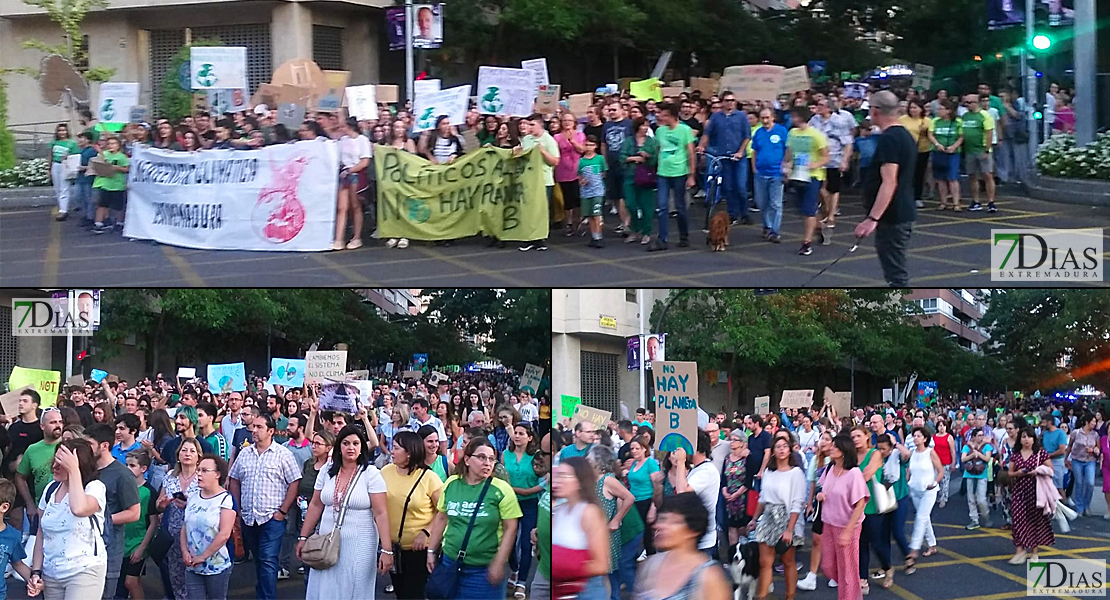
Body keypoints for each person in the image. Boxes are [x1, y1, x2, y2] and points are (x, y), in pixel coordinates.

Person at [296, 425, 392, 600]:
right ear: (339, 446)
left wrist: (387, 550)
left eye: (356, 443)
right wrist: (303, 537)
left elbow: (381, 513)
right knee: (325, 588)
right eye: (346, 443)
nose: (351, 447)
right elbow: (316, 505)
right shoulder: (327, 470)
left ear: (362, 447)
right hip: (327, 541)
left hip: (359, 544)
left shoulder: (371, 474)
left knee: (354, 589)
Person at [426, 437, 522, 599]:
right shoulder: (452, 484)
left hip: (484, 570)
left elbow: (511, 528)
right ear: (468, 460)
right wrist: (431, 550)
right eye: (482, 457)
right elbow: (441, 518)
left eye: (491, 459)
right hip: (451, 564)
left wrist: (499, 562)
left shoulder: (501, 489)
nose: (488, 463)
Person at [229, 414, 302, 600]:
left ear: (271, 431)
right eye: (254, 426)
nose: (254, 430)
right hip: (248, 517)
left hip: (272, 518)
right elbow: (234, 479)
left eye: (259, 427)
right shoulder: (245, 453)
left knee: (268, 560)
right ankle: (262, 590)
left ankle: (266, 597)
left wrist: (283, 511)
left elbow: (294, 482)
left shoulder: (283, 454)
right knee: (259, 560)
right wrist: (237, 508)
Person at [27, 439, 108, 599]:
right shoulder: (51, 489)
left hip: (84, 569)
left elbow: (79, 508)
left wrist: (74, 471)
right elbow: (41, 532)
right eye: (54, 460)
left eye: (61, 462)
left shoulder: (94, 487)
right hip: (52, 572)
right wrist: (36, 571)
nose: (54, 467)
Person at [852, 90, 917, 287]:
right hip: (900, 211)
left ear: (875, 111)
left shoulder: (890, 139)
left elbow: (889, 181)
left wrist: (872, 219)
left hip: (893, 216)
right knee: (894, 268)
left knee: (895, 274)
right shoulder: (904, 135)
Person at [629, 492, 731, 600]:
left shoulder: (709, 576)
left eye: (673, 522)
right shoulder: (650, 565)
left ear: (693, 530)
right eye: (661, 519)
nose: (659, 526)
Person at [381, 431, 443, 600]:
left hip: (419, 551)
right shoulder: (385, 472)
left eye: (396, 448)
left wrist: (426, 532)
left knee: (414, 594)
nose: (391, 451)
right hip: (393, 549)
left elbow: (443, 512)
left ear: (409, 453)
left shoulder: (430, 478)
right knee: (401, 593)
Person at [85, 423, 142, 600]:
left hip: (109, 550)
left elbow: (134, 513)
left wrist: (101, 519)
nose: (85, 450)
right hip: (84, 549)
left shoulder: (123, 475)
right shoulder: (87, 471)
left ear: (104, 446)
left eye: (89, 445)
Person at [748, 435, 806, 600]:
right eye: (778, 446)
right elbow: (762, 497)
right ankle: (761, 596)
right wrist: (754, 519)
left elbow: (797, 503)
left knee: (788, 561)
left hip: (787, 517)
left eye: (784, 446)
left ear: (789, 450)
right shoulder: (768, 471)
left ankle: (790, 596)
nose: (781, 449)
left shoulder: (796, 473)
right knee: (764, 562)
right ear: (773, 451)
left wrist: (790, 529)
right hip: (768, 516)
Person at [816, 434, 869, 600]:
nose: (831, 448)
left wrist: (847, 532)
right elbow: (825, 488)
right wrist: (821, 495)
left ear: (844, 451)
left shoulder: (853, 473)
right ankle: (852, 589)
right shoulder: (830, 469)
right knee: (828, 566)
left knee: (848, 571)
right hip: (829, 523)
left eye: (835, 446)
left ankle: (850, 594)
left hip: (847, 526)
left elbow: (861, 504)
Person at [552, 456, 612, 600]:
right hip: (562, 591)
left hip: (586, 591)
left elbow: (601, 564)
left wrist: (564, 567)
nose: (558, 480)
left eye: (564, 476)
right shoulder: (559, 511)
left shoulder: (589, 512)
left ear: (579, 481)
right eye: (557, 475)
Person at [181, 454, 235, 600]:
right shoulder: (192, 497)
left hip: (216, 565)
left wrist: (203, 557)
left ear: (217, 474)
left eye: (204, 470)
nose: (199, 474)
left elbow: (224, 534)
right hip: (192, 565)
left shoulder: (226, 499)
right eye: (198, 470)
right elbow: (185, 526)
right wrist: (185, 551)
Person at [156, 437, 203, 600]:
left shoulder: (202, 478)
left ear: (198, 456)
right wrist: (161, 505)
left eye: (192, 451)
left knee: (195, 576)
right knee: (175, 575)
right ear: (178, 455)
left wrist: (188, 504)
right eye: (184, 450)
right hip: (172, 533)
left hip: (196, 535)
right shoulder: (170, 476)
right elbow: (159, 504)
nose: (187, 454)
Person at [649, 102, 696, 252]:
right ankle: (662, 239)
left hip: (679, 173)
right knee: (662, 207)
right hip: (663, 172)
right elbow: (657, 149)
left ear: (672, 116)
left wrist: (691, 175)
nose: (660, 117)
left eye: (663, 115)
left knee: (680, 206)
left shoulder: (685, 130)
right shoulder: (660, 131)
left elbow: (691, 153)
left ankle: (684, 236)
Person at [698, 90, 751, 225]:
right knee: (728, 187)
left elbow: (747, 136)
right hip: (723, 157)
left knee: (741, 187)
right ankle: (733, 213)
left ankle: (744, 213)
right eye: (727, 100)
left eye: (732, 100)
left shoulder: (741, 116)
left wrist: (740, 151)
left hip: (739, 158)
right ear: (722, 102)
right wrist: (701, 146)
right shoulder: (716, 117)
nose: (730, 103)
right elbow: (707, 133)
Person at [783, 105, 829, 255]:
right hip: (797, 174)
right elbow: (789, 153)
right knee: (803, 209)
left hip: (813, 176)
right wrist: (786, 167)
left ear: (800, 117)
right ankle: (819, 227)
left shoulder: (816, 135)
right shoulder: (792, 133)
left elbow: (826, 156)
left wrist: (815, 164)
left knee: (808, 209)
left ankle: (806, 243)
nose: (791, 119)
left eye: (793, 116)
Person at [668, 429, 720, 559]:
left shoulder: (707, 470)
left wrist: (681, 462)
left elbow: (682, 492)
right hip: (693, 537)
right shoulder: (697, 469)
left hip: (703, 541)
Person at [850, 425, 889, 593]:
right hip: (854, 506)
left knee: (876, 543)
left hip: (872, 505)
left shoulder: (875, 454)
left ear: (867, 436)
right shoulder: (851, 456)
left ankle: (887, 567)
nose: (855, 439)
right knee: (861, 543)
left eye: (858, 435)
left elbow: (866, 475)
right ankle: (862, 578)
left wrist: (846, 481)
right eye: (852, 437)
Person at [504, 424, 542, 598]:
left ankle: (521, 582)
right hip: (509, 503)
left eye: (521, 434)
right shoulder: (505, 455)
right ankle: (514, 569)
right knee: (509, 542)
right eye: (515, 433)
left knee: (527, 544)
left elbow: (544, 480)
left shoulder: (536, 456)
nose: (517, 436)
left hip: (529, 503)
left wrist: (526, 491)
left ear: (529, 437)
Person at [1007, 427, 1055, 563]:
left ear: (1034, 439)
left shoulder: (1041, 453)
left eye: (1029, 437)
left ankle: (1034, 551)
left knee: (1035, 521)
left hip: (1036, 491)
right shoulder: (1015, 454)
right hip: (1020, 490)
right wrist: (1018, 473)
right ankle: (1019, 550)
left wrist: (1038, 471)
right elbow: (1010, 472)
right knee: (1017, 520)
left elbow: (1051, 470)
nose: (1026, 439)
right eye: (1023, 437)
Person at [517, 113, 560, 252]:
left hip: (544, 180)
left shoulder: (548, 140)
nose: (529, 127)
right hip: (529, 179)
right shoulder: (527, 139)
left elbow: (555, 161)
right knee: (529, 209)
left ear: (540, 125)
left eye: (532, 125)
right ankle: (529, 238)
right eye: (528, 125)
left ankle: (540, 239)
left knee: (541, 210)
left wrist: (543, 152)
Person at [808, 98, 854, 228]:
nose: (818, 107)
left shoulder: (839, 121)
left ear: (829, 108)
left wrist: (845, 160)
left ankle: (831, 215)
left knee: (833, 188)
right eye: (818, 105)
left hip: (834, 159)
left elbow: (848, 143)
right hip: (818, 159)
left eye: (822, 105)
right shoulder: (814, 120)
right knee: (820, 188)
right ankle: (827, 210)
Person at [16, 406, 64, 528]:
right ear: (42, 426)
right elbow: (20, 477)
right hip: (41, 510)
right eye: (53, 422)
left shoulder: (70, 445)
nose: (58, 425)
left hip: (66, 511)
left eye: (60, 422)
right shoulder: (32, 450)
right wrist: (30, 504)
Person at [902, 427, 942, 573]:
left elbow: (940, 470)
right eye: (914, 436)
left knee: (920, 517)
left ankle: (914, 549)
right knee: (924, 519)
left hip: (929, 491)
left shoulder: (930, 452)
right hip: (915, 490)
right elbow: (909, 471)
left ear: (925, 438)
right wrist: (906, 485)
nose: (916, 438)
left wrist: (935, 483)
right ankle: (932, 545)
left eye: (919, 436)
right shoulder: (912, 453)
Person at [120, 449, 157, 600]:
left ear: (143, 469)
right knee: (121, 582)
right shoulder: (122, 487)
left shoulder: (149, 491)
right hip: (122, 542)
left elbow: (153, 522)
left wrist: (142, 548)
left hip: (138, 542)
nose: (128, 469)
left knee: (131, 581)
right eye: (127, 465)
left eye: (132, 465)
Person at [750, 107, 788, 243]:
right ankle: (767, 225)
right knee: (762, 203)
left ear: (773, 117)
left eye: (767, 117)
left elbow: (787, 150)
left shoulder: (782, 131)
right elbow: (754, 151)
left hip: (777, 173)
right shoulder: (758, 133)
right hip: (761, 173)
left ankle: (774, 230)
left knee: (776, 204)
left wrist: (786, 168)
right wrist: (754, 168)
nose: (765, 120)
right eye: (762, 118)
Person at [619, 118, 658, 245]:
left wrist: (647, 157)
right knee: (631, 204)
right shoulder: (628, 141)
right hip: (631, 176)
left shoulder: (652, 142)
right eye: (643, 126)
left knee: (647, 206)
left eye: (647, 126)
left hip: (646, 177)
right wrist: (633, 158)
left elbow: (656, 159)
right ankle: (635, 230)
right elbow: (622, 157)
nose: (646, 128)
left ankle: (646, 232)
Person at [959, 95, 996, 212]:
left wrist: (987, 149)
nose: (967, 105)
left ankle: (991, 202)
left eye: (970, 102)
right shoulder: (964, 116)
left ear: (977, 103)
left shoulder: (984, 115)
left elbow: (989, 133)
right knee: (972, 176)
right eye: (966, 102)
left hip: (981, 149)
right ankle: (976, 201)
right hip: (969, 150)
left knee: (987, 175)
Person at [927, 100, 963, 211]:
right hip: (938, 151)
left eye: (941, 109)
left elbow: (961, 136)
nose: (939, 111)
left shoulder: (957, 121)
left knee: (952, 178)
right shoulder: (935, 121)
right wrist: (937, 144)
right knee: (940, 178)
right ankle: (943, 201)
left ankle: (956, 202)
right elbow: (930, 134)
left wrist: (953, 146)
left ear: (949, 110)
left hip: (953, 153)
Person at [91, 135, 129, 235]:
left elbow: (126, 169)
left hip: (117, 184)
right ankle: (98, 223)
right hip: (105, 183)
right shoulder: (104, 154)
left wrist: (117, 168)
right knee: (102, 204)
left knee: (118, 206)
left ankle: (119, 222)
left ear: (118, 145)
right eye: (109, 144)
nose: (110, 146)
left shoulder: (121, 157)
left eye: (113, 144)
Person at [898, 100, 932, 209]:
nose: (913, 110)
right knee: (905, 173)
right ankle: (903, 196)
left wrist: (924, 132)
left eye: (915, 108)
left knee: (919, 174)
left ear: (921, 109)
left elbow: (931, 135)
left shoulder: (926, 121)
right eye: (911, 107)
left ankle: (917, 197)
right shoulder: (902, 119)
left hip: (922, 149)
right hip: (905, 149)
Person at [1065, 413, 1100, 517]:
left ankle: (1086, 505)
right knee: (1079, 483)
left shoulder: (1095, 435)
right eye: (1093, 421)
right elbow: (1070, 446)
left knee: (1090, 483)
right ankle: (1079, 507)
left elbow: (1098, 449)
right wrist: (1066, 458)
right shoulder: (1076, 433)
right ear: (1087, 422)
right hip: (1077, 460)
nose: (1094, 423)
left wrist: (1094, 450)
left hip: (1090, 460)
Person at [578, 134, 608, 248]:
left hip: (597, 190)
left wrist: (597, 178)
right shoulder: (581, 161)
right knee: (590, 215)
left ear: (595, 146)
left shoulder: (599, 158)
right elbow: (579, 176)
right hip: (586, 192)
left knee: (597, 214)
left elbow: (604, 172)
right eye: (587, 145)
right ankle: (593, 236)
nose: (589, 147)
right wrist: (582, 181)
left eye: (591, 145)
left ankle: (599, 236)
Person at [962, 427, 994, 530]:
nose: (981, 437)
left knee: (981, 499)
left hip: (981, 475)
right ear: (974, 437)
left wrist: (978, 454)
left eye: (982, 435)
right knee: (971, 499)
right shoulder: (967, 447)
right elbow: (963, 459)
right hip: (969, 474)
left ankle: (986, 516)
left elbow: (987, 459)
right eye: (979, 435)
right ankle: (974, 520)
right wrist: (972, 454)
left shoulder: (987, 447)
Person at [50, 123, 78, 221]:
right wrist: (48, 168)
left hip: (65, 165)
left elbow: (76, 156)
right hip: (55, 164)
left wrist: (68, 157)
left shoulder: (72, 143)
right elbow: (50, 155)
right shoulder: (54, 142)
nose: (62, 132)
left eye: (64, 130)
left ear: (67, 132)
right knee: (57, 188)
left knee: (64, 188)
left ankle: (63, 210)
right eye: (60, 130)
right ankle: (62, 206)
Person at [1040, 414, 1068, 499]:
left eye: (1044, 422)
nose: (1042, 424)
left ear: (1050, 422)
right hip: (1046, 461)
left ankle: (1065, 505)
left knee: (1058, 486)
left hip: (1057, 461)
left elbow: (1062, 450)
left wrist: (1048, 455)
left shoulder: (1060, 433)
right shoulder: (1045, 433)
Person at [932, 419, 956, 508]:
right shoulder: (933, 437)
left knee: (945, 481)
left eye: (944, 426)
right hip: (935, 461)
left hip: (946, 461)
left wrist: (953, 463)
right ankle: (935, 497)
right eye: (940, 425)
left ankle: (943, 498)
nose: (942, 428)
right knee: (935, 480)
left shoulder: (949, 437)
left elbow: (952, 451)